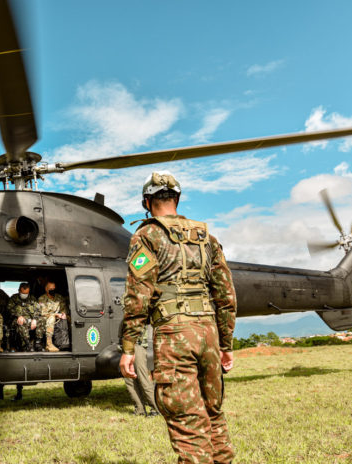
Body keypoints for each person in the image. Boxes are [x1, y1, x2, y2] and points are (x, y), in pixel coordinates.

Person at [119, 172, 236, 464]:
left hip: (174, 335)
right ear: (177, 199)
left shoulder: (146, 236)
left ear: (147, 202)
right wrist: (226, 344)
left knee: (187, 421)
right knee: (213, 413)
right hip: (208, 333)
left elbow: (138, 295)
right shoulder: (207, 238)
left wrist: (129, 347)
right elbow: (226, 296)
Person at [120, 322, 158, 417]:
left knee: (144, 379)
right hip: (128, 346)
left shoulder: (142, 311)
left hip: (141, 346)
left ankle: (156, 409)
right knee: (129, 380)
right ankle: (139, 409)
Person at [6, 283, 45, 352]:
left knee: (42, 319)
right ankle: (27, 344)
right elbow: (9, 309)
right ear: (19, 291)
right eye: (23, 293)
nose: (24, 295)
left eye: (26, 293)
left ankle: (38, 343)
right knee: (21, 322)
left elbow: (38, 310)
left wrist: (35, 319)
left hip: (30, 320)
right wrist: (18, 316)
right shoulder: (14, 298)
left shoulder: (32, 298)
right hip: (17, 319)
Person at [37, 280, 68, 352]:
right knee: (51, 318)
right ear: (46, 289)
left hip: (59, 318)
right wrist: (55, 315)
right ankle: (49, 344)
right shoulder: (42, 299)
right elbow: (43, 313)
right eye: (50, 289)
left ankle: (65, 343)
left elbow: (63, 309)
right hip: (46, 319)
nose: (52, 290)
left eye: (54, 288)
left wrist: (63, 314)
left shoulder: (59, 298)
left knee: (69, 319)